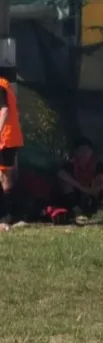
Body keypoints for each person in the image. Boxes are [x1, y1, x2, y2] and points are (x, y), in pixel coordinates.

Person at [57, 137, 103, 224]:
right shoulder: (72, 163)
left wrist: (99, 187)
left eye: (87, 151)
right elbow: (61, 174)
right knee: (65, 184)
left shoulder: (96, 164)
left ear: (91, 152)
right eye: (81, 151)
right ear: (75, 152)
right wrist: (81, 188)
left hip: (94, 194)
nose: (85, 154)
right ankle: (77, 212)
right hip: (77, 195)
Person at [0, 73, 24, 231]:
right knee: (4, 175)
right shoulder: (5, 84)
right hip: (8, 137)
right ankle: (8, 214)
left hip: (5, 138)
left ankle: (7, 215)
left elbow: (4, 110)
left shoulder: (1, 85)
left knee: (5, 175)